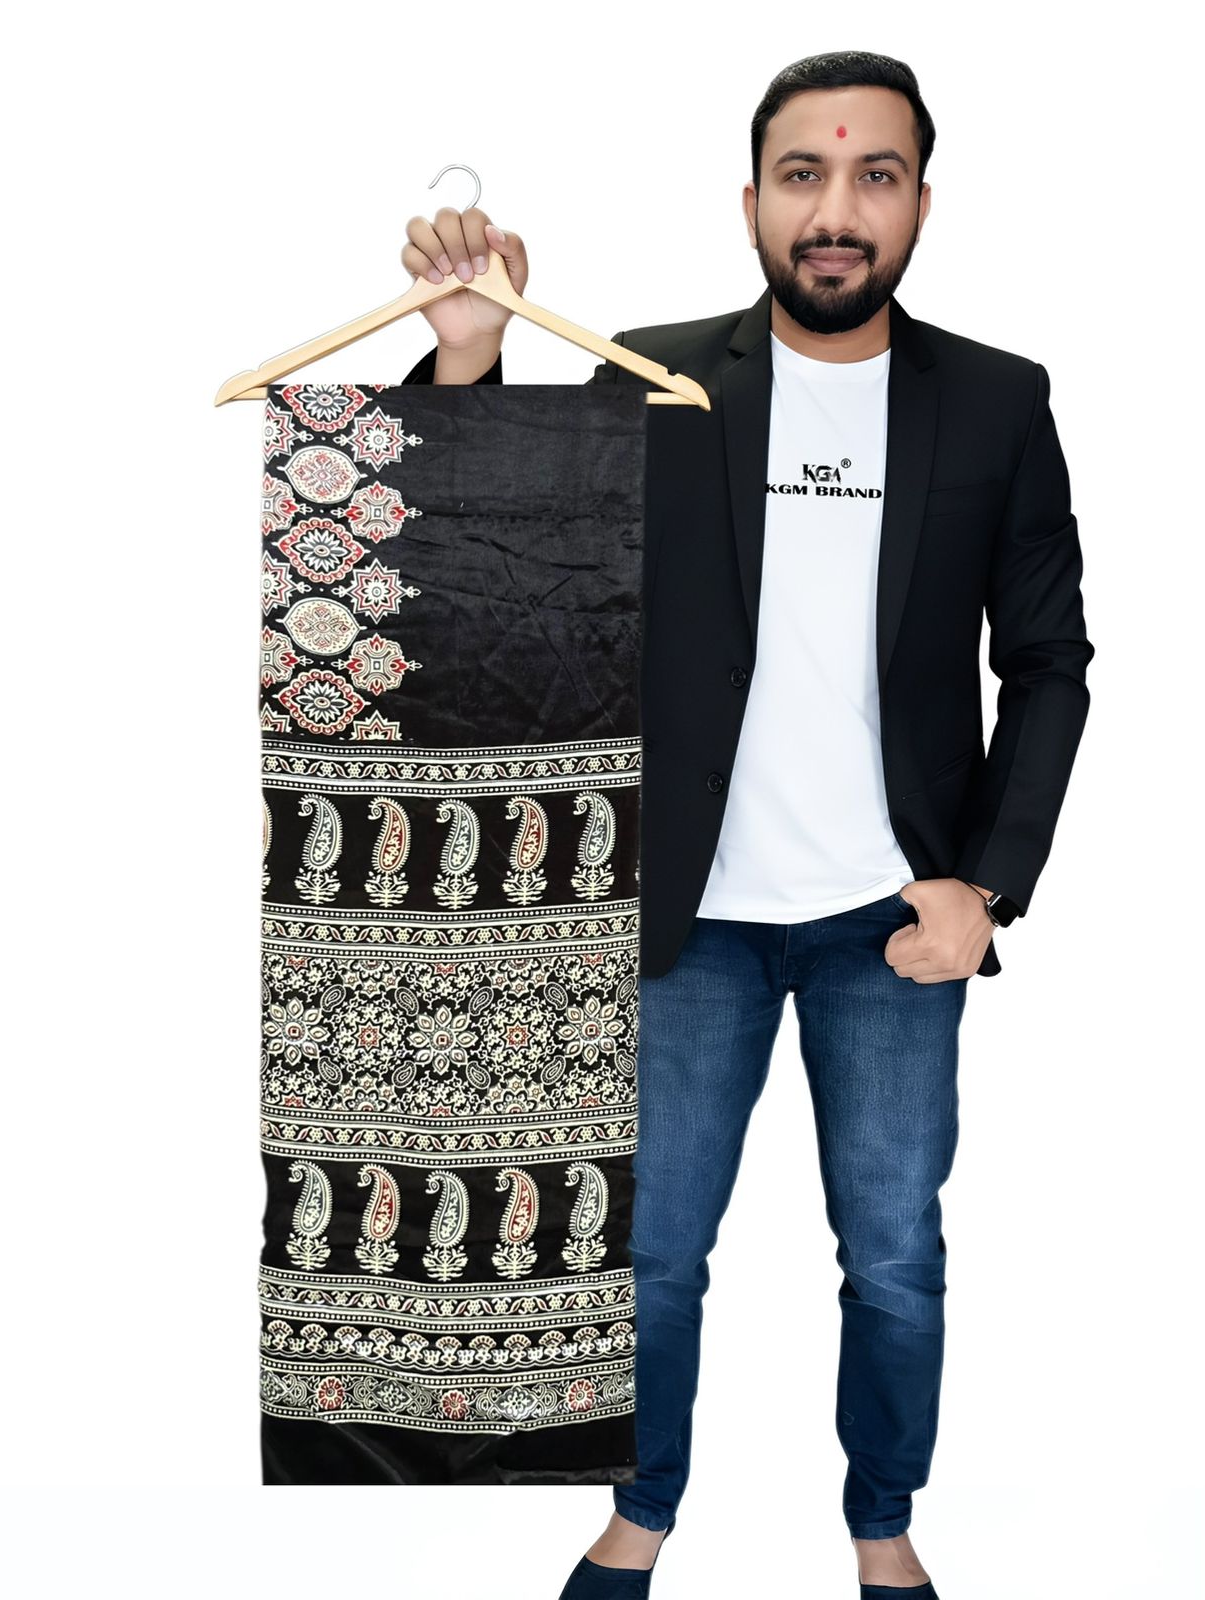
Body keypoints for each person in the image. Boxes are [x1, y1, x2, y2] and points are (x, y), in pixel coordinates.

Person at [398, 50, 1093, 1600]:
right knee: (650, 1257)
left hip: (889, 922)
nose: (835, 210)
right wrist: (469, 360)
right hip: (685, 916)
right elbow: (487, 572)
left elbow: (1047, 661)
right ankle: (639, 1515)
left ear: (918, 203)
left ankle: (881, 1526)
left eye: (873, 176)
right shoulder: (649, 379)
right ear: (751, 201)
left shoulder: (996, 400)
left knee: (893, 1257)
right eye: (803, 175)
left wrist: (986, 884)